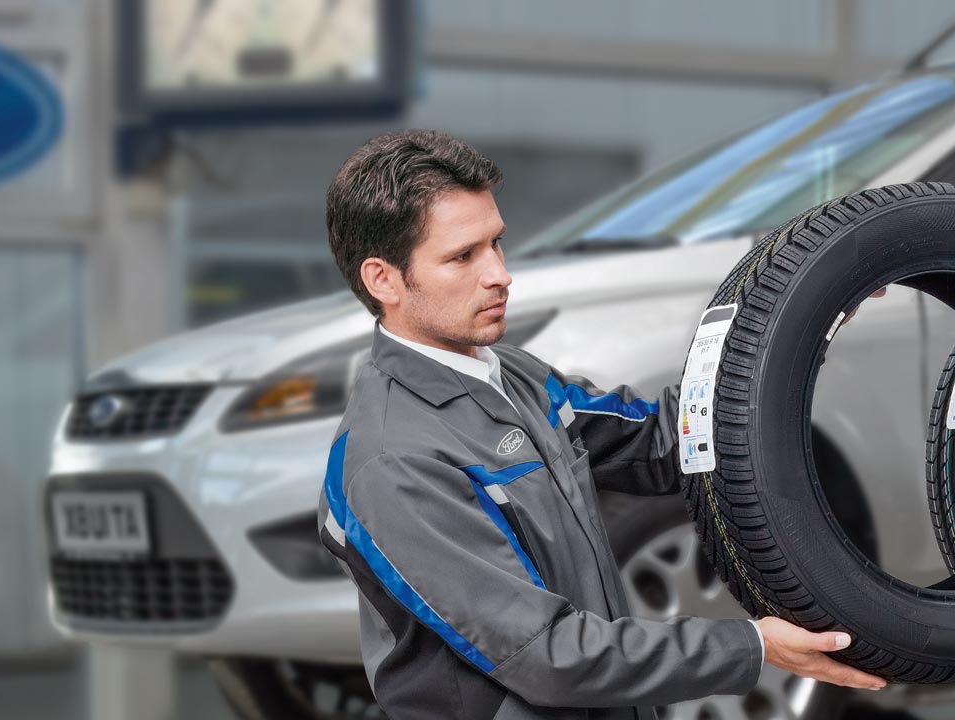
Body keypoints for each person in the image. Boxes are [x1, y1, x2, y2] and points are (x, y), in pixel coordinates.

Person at [315, 129, 886, 719]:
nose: (500, 275)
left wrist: (805, 315)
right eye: (463, 257)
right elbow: (550, 657)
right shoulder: (393, 460)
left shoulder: (512, 377)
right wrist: (755, 645)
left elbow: (668, 441)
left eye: (497, 244)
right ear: (383, 279)